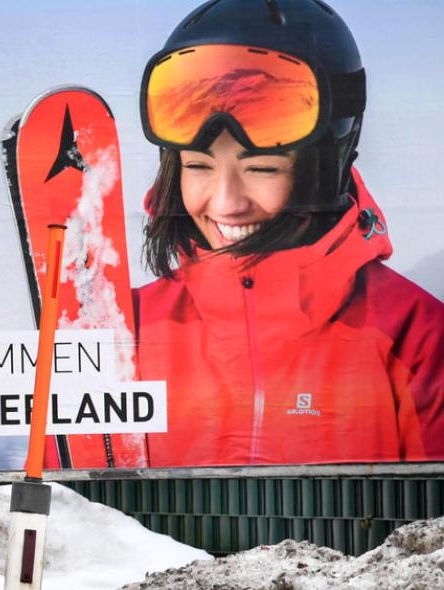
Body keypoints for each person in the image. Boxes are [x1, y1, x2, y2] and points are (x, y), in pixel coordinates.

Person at [133, 0, 444, 467]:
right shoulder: (126, 331)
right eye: (198, 166)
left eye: (261, 168)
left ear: (324, 168)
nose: (225, 203)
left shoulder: (414, 335)